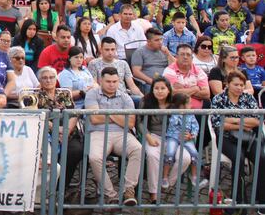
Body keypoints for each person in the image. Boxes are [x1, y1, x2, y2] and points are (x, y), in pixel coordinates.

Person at [85, 66, 142, 205]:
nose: (112, 84)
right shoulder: (92, 94)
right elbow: (95, 119)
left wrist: (106, 113)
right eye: (108, 81)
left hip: (121, 134)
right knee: (94, 157)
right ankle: (110, 194)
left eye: (115, 81)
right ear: (101, 80)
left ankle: (129, 190)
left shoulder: (125, 97)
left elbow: (130, 123)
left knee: (138, 149)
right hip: (97, 132)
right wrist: (119, 116)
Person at [210, 70, 265, 207]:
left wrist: (232, 120)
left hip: (249, 137)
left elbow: (257, 121)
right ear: (227, 84)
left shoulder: (248, 98)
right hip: (226, 138)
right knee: (238, 159)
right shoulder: (218, 99)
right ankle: (239, 200)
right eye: (236, 85)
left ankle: (261, 199)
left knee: (262, 158)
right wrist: (244, 123)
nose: (240, 88)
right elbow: (218, 124)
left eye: (242, 85)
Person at [31, 66, 84, 191]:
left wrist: (65, 131)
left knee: (75, 152)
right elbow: (38, 116)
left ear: (56, 79)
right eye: (44, 78)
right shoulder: (34, 96)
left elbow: (73, 114)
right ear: (40, 80)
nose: (48, 80)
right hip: (45, 134)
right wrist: (56, 129)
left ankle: (60, 188)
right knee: (48, 155)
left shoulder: (64, 93)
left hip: (67, 131)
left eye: (51, 77)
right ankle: (45, 190)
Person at [162, 93, 207, 190]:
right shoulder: (173, 113)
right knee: (170, 153)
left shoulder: (191, 115)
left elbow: (195, 126)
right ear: (182, 105)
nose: (191, 106)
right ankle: (165, 176)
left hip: (186, 138)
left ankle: (194, 176)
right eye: (189, 104)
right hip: (172, 137)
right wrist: (180, 114)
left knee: (195, 154)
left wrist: (191, 135)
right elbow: (173, 123)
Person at [162, 43, 210, 109]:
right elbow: (172, 93)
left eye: (188, 55)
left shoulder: (198, 71)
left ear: (192, 58)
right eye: (182, 54)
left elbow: (206, 94)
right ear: (176, 56)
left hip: (197, 112)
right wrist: (195, 88)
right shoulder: (169, 71)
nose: (185, 57)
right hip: (175, 111)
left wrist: (182, 89)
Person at [131, 28, 176, 93]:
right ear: (148, 41)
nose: (160, 42)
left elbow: (176, 66)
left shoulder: (164, 51)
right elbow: (136, 72)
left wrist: (168, 54)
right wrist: (152, 82)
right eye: (156, 40)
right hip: (150, 83)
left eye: (161, 39)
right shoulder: (140, 52)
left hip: (169, 82)